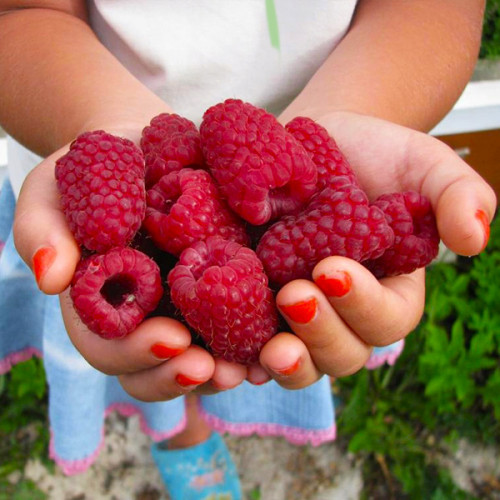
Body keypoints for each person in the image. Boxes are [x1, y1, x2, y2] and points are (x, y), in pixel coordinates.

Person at [0, 1, 496, 498]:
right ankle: (184, 433)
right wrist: (95, 124)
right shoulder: (158, 200)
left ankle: (188, 426)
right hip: (77, 99)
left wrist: (358, 109)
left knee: (230, 334)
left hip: (326, 107)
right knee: (168, 346)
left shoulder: (288, 200)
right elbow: (19, 14)